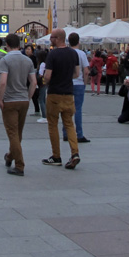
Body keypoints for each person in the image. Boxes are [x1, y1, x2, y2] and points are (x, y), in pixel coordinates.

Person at [0, 33, 37, 176]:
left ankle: (19, 165)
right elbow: (33, 82)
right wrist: (28, 96)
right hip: (23, 100)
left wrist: (0, 99)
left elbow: (3, 82)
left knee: (12, 133)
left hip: (10, 100)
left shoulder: (5, 60)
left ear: (6, 45)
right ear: (19, 45)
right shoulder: (28, 61)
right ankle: (10, 156)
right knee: (18, 133)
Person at [42, 29, 81, 169]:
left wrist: (47, 81)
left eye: (52, 37)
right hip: (69, 93)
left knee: (53, 125)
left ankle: (56, 156)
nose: (50, 39)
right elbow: (77, 74)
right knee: (69, 124)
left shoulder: (52, 54)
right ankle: (75, 153)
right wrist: (66, 78)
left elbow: (47, 76)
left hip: (54, 94)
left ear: (57, 38)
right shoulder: (73, 53)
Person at [64, 32, 91, 143]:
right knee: (78, 109)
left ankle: (66, 133)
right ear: (78, 42)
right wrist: (85, 83)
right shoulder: (82, 54)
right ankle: (79, 134)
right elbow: (86, 71)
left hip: (67, 84)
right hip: (79, 83)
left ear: (68, 42)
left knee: (66, 109)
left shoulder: (66, 53)